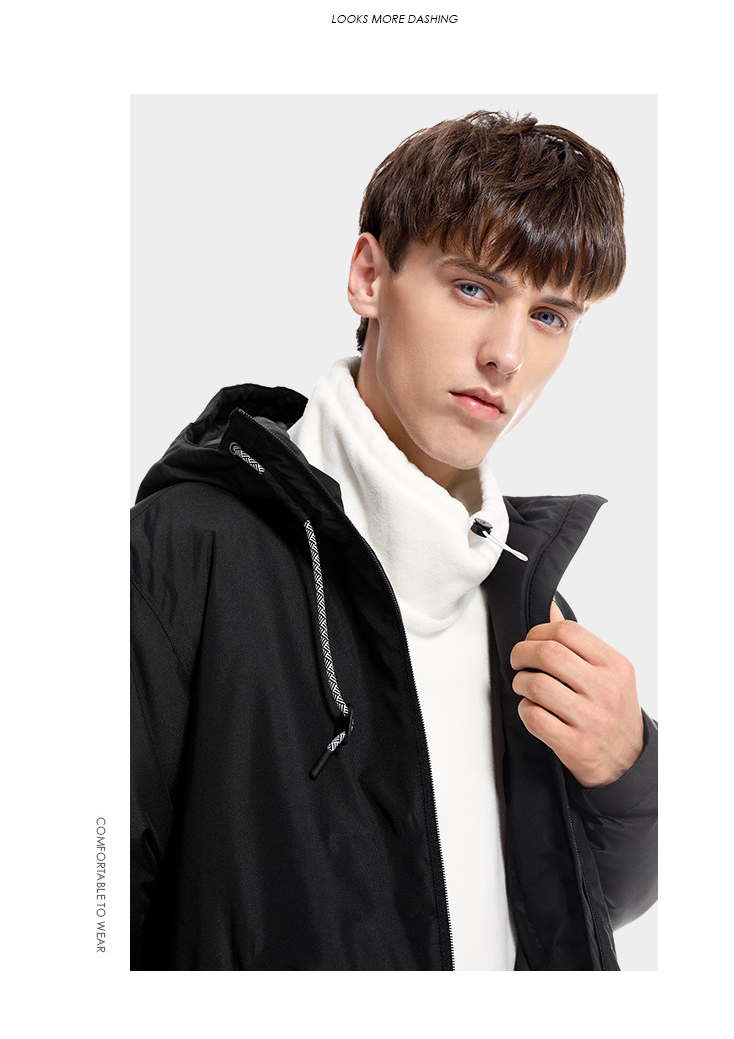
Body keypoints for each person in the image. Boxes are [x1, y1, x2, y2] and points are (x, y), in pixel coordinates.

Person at [130, 110, 657, 971]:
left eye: (551, 315)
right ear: (370, 277)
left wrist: (628, 772)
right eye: (474, 289)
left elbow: (583, 910)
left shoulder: (521, 592)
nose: (508, 355)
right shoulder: (184, 550)